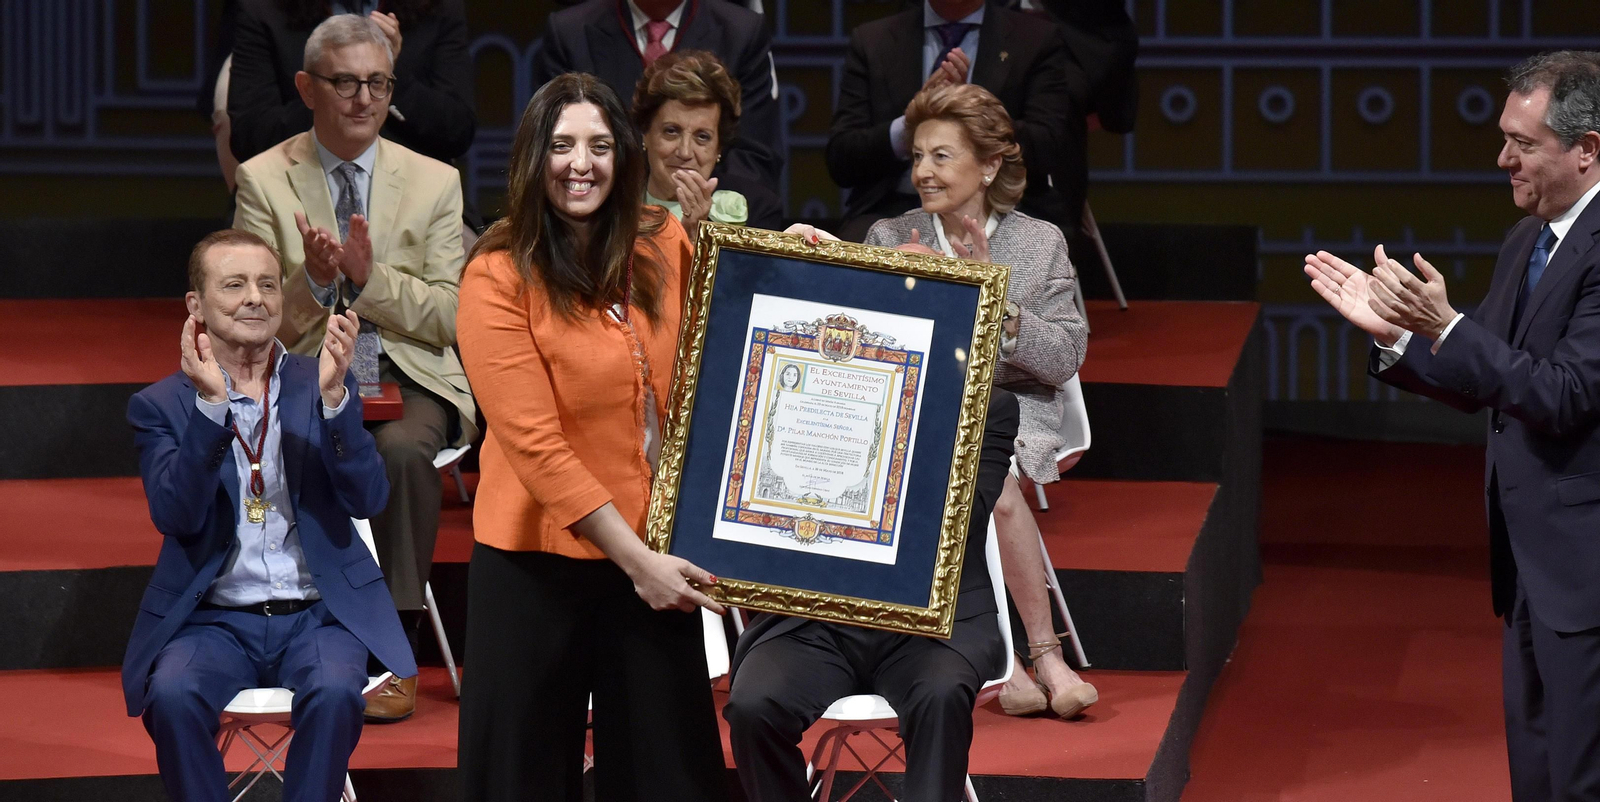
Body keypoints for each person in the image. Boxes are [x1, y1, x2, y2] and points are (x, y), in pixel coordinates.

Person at [1304, 51, 1600, 799]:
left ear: (1587, 149)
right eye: (1505, 137)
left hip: (1587, 574)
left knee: (1582, 780)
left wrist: (1449, 324)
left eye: (1524, 144)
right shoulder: (1528, 239)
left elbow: (1563, 394)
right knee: (1537, 776)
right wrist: (1396, 336)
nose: (1503, 159)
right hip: (1530, 566)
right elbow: (1484, 378)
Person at [454, 72, 728, 802]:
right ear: (532, 156)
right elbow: (535, 447)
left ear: (624, 157)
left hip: (650, 558)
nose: (583, 164)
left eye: (600, 146)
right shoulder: (494, 274)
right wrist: (636, 561)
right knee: (521, 779)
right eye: (563, 145)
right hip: (536, 565)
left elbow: (730, 343)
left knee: (669, 776)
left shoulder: (661, 240)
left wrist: (806, 264)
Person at [232, 13, 478, 722]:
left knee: (400, 449)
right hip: (308, 367)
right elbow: (247, 316)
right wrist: (307, 284)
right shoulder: (264, 179)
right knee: (312, 442)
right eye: (346, 83)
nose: (364, 98)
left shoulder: (434, 181)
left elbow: (451, 315)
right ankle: (293, 631)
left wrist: (369, 284)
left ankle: (393, 648)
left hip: (410, 369)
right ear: (307, 87)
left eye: (378, 82)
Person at [122, 228, 414, 802]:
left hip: (317, 615)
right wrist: (210, 410)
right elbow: (176, 516)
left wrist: (336, 407)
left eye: (266, 284)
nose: (255, 297)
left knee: (334, 692)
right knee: (174, 695)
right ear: (197, 306)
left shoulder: (323, 381)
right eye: (234, 285)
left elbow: (369, 500)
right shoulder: (161, 405)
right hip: (214, 620)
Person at [862, 82, 1096, 719]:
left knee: (986, 470)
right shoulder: (891, 236)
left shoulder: (1040, 242)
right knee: (953, 463)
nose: (924, 172)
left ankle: (1040, 655)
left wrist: (992, 298)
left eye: (942, 156)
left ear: (989, 165)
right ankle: (1015, 662)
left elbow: (1066, 356)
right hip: (913, 411)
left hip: (1015, 407)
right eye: (917, 157)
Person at [723, 389, 1019, 801]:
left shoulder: (986, 405)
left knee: (941, 694)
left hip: (931, 622)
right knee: (754, 707)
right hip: (813, 616)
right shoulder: (803, 393)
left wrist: (879, 448)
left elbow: (966, 519)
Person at [826, 0, 1085, 243]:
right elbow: (842, 158)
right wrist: (914, 122)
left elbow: (1048, 146)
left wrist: (971, 112)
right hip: (892, 207)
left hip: (1002, 206)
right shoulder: (873, 40)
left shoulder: (1035, 39)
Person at [534, 0, 784, 189]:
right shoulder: (569, 32)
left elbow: (755, 157)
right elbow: (546, 148)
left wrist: (705, 217)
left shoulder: (742, 32)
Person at [227, 0, 476, 170]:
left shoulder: (440, 7)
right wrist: (332, 88)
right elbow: (249, 136)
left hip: (411, 199)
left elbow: (457, 132)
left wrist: (386, 73)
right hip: (294, 189)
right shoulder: (263, 8)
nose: (363, 99)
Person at [633, 50, 784, 235]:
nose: (685, 152)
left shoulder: (758, 209)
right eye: (671, 131)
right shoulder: (609, 204)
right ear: (645, 133)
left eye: (702, 136)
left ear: (719, 147)